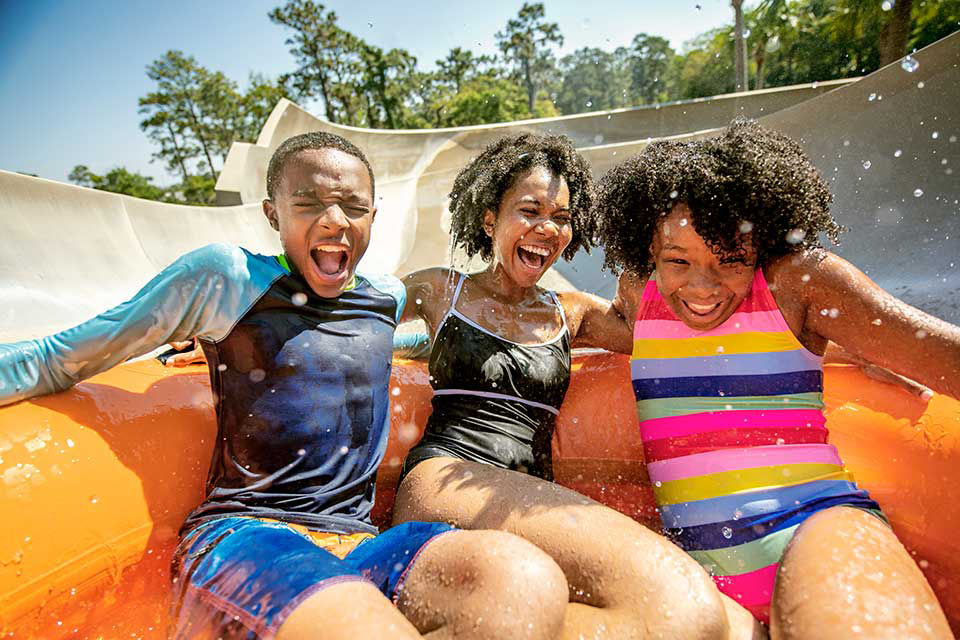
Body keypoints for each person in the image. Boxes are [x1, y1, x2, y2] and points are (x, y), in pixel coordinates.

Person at [0, 132, 569, 640]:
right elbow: (60, 357)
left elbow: (397, 345)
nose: (334, 220)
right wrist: (197, 337)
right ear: (274, 213)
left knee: (521, 581)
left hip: (358, 541)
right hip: (248, 533)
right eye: (310, 204)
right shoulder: (226, 280)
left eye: (352, 206)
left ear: (374, 215)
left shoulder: (382, 297)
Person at [591, 118, 957, 638]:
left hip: (816, 533)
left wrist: (863, 344)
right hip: (699, 583)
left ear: (762, 244)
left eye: (731, 260)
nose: (702, 286)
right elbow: (573, 324)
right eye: (677, 260)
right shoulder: (638, 294)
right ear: (648, 250)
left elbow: (941, 353)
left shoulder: (799, 282)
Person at [392, 133, 762, 640]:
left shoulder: (572, 312)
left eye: (562, 218)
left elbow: (653, 327)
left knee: (738, 627)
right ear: (488, 219)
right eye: (530, 210)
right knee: (681, 601)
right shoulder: (439, 290)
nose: (547, 228)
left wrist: (643, 234)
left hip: (527, 499)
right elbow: (351, 312)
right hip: (444, 479)